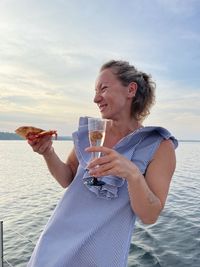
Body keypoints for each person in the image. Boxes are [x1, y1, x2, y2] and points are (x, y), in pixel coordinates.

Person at [27, 60, 178, 267]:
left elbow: (150, 215)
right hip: (54, 246)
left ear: (131, 90)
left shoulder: (159, 146)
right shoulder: (91, 133)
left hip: (101, 256)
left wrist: (133, 174)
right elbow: (67, 179)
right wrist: (48, 152)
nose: (96, 98)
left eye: (103, 88)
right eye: (95, 91)